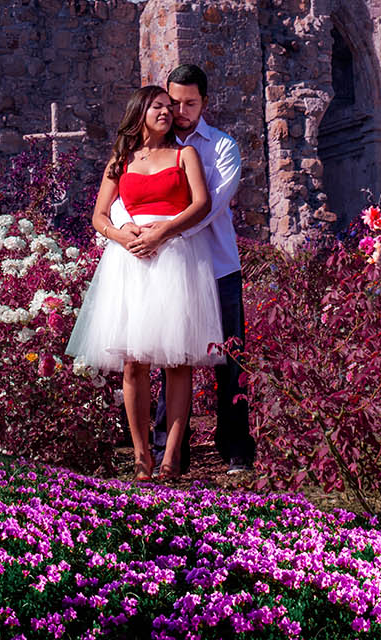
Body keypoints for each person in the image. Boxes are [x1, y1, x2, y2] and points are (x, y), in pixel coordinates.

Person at [65, 85, 226, 480]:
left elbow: (201, 203)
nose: (167, 112)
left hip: (174, 257)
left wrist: (163, 232)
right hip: (130, 261)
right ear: (139, 112)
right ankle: (141, 457)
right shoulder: (120, 160)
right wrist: (123, 236)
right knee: (133, 361)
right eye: (158, 106)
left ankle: (171, 457)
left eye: (169, 108)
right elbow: (100, 215)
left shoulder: (184, 153)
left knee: (177, 361)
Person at [112, 63, 256, 475]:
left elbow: (210, 206)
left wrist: (161, 234)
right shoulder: (153, 149)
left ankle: (235, 448)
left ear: (204, 103)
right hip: (162, 264)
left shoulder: (221, 147)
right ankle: (169, 451)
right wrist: (132, 231)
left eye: (189, 102)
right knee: (168, 350)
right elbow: (125, 198)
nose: (179, 109)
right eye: (173, 101)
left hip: (215, 265)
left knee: (229, 359)